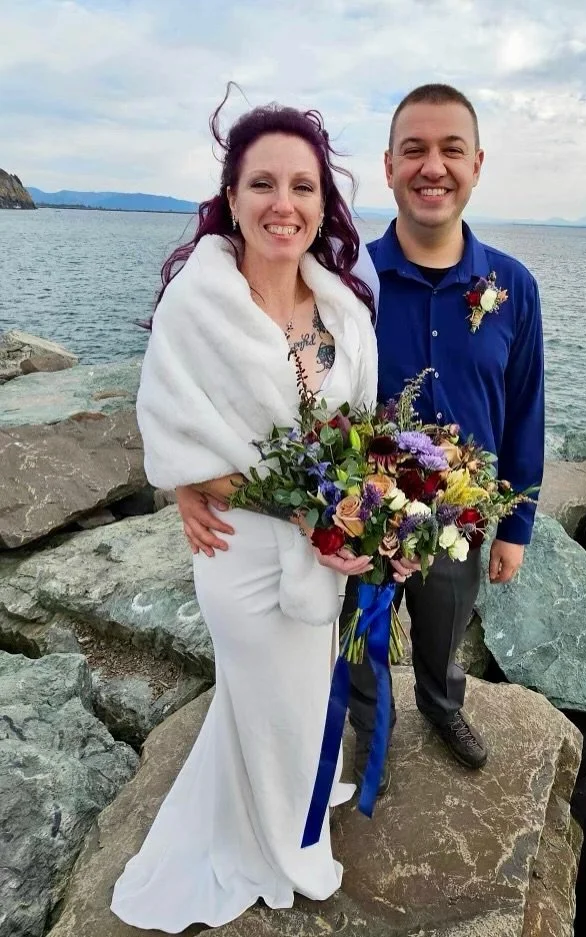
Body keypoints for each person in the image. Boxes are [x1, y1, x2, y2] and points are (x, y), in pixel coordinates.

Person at [177, 84, 545, 799]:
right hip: (356, 514)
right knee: (359, 639)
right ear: (387, 166)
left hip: (461, 519)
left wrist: (516, 527)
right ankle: (369, 729)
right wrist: (186, 476)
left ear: (477, 164)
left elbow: (526, 405)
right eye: (414, 149)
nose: (431, 166)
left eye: (450, 150)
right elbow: (266, 383)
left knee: (444, 625)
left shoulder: (514, 285)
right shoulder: (350, 279)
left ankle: (443, 707)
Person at [110, 95, 403, 932]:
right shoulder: (197, 306)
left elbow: (366, 438)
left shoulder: (343, 309)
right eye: (264, 184)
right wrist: (182, 487)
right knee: (271, 695)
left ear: (323, 204)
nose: (285, 203)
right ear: (232, 197)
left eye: (303, 186)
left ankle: (287, 799)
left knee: (298, 696)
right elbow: (167, 417)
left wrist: (362, 527)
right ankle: (286, 846)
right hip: (239, 550)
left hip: (322, 556)